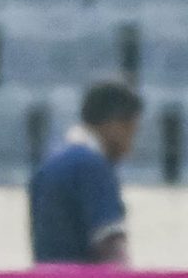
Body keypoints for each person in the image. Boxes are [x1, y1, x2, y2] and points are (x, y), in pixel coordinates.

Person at [29, 79, 144, 266]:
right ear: (115, 125)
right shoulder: (93, 167)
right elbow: (109, 244)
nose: (130, 147)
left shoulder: (48, 166)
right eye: (131, 132)